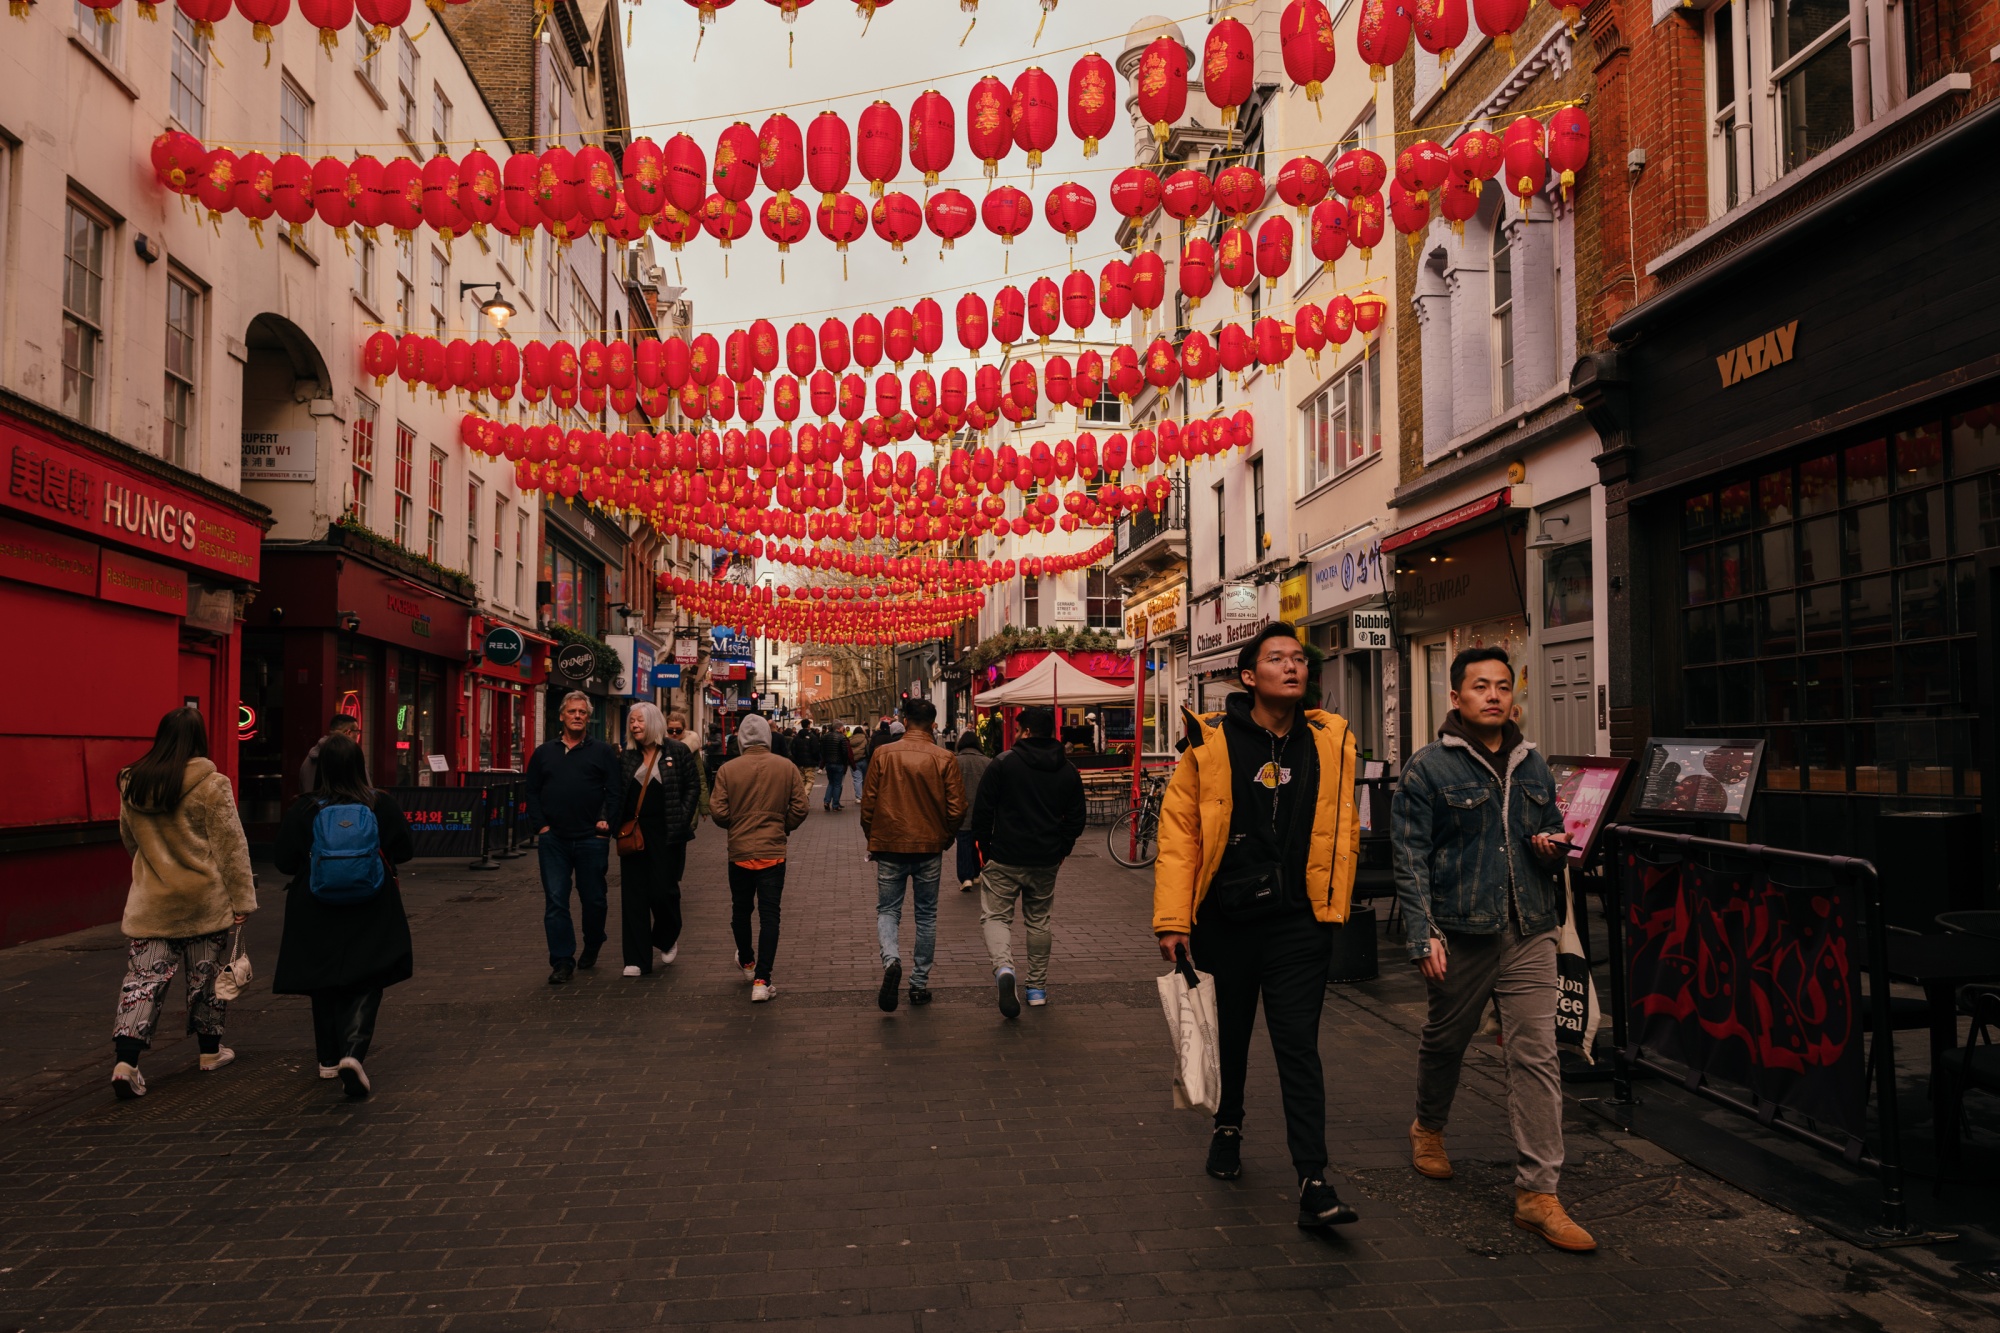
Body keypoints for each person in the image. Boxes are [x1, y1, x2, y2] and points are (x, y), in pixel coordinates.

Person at [1153, 622, 1364, 1231]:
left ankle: (1314, 1180)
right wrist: (1173, 921)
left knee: (1299, 1046)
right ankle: (1228, 1125)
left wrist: (1337, 902)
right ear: (1250, 677)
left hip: (1300, 922)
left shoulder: (1329, 739)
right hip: (1227, 920)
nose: (1292, 667)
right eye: (1277, 659)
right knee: (1234, 1036)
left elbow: (1342, 824)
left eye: (1299, 659)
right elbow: (1180, 835)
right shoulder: (1211, 742)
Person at [1393, 646, 1593, 1253]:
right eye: (1480, 686)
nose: (1493, 695)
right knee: (1446, 1038)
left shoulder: (1534, 765)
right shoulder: (1428, 769)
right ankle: (1429, 1125)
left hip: (1530, 928)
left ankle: (1538, 1194)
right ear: (1456, 697)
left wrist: (1550, 847)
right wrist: (1422, 930)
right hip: (1461, 930)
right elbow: (1409, 855)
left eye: (1503, 685)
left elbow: (1547, 829)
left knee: (1536, 1056)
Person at [109, 707, 257, 1099]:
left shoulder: (132, 782)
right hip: (203, 904)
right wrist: (242, 900)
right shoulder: (212, 784)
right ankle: (209, 1053)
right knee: (205, 982)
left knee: (141, 984)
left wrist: (151, 870)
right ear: (200, 740)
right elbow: (230, 848)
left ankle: (127, 1063)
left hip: (152, 904)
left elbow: (130, 839)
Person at [271, 734, 415, 1099]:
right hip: (371, 902)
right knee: (369, 976)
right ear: (359, 765)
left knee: (324, 980)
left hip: (315, 905)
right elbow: (407, 850)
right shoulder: (380, 803)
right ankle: (354, 1052)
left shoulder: (303, 808)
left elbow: (284, 862)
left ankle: (328, 1058)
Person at [970, 707, 1086, 1016]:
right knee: (1039, 920)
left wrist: (985, 849)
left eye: (1019, 729)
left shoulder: (1004, 763)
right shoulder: (1067, 769)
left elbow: (982, 812)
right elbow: (1076, 818)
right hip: (1046, 858)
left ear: (1026, 732)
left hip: (1005, 856)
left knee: (996, 917)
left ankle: (1004, 969)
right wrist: (1063, 848)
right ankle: (1037, 989)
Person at [860, 699, 966, 1012]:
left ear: (905, 722)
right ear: (933, 725)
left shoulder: (883, 754)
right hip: (929, 847)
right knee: (926, 915)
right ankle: (919, 984)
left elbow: (869, 805)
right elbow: (957, 808)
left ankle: (892, 960)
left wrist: (874, 836)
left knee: (888, 910)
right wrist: (944, 838)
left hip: (890, 845)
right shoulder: (944, 757)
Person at [709, 714, 808, 1001]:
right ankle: (762, 982)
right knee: (770, 916)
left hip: (739, 852)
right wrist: (782, 825)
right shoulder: (786, 767)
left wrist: (736, 825)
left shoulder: (728, 770)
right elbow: (800, 808)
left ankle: (748, 963)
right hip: (773, 853)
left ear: (741, 739)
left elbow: (718, 811)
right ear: (767, 737)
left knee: (740, 910)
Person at [526, 690, 622, 985]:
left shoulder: (602, 752)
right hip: (554, 839)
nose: (578, 716)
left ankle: (593, 941)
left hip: (592, 838)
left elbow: (616, 791)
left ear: (588, 716)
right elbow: (531, 791)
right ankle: (562, 961)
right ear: (562, 716)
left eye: (582, 712)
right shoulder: (545, 753)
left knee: (594, 899)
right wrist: (541, 826)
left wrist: (607, 823)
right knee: (556, 900)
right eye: (572, 712)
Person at [616, 702, 701, 979]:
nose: (635, 726)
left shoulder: (677, 751)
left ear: (652, 722)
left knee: (663, 891)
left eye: (639, 721)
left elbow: (692, 786)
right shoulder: (627, 755)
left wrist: (683, 816)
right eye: (631, 722)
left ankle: (666, 936)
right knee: (633, 896)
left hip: (667, 833)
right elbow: (616, 791)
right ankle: (636, 959)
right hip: (634, 831)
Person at [952, 731, 993, 891]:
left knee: (964, 843)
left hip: (962, 810)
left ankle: (966, 877)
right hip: (982, 811)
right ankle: (977, 873)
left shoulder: (955, 761)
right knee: (979, 842)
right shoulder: (987, 762)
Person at [298, 712, 360, 793]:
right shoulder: (351, 758)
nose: (358, 735)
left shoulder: (308, 760)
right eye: (357, 731)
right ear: (348, 733)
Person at [666, 711, 709, 822]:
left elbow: (700, 778)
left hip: (685, 798)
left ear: (685, 728)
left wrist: (704, 806)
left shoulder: (692, 748)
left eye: (678, 731)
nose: (674, 734)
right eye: (670, 731)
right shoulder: (659, 748)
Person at [820, 723, 854, 811]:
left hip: (828, 763)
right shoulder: (842, 738)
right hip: (838, 763)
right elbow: (844, 752)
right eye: (842, 728)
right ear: (839, 728)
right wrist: (844, 763)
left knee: (831, 783)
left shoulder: (825, 737)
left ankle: (826, 801)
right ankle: (835, 805)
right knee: (837, 785)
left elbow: (823, 751)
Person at [849, 725, 871, 804]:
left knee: (857, 779)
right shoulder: (865, 738)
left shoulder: (850, 739)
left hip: (854, 762)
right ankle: (865, 795)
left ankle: (859, 797)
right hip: (864, 760)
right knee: (865, 779)